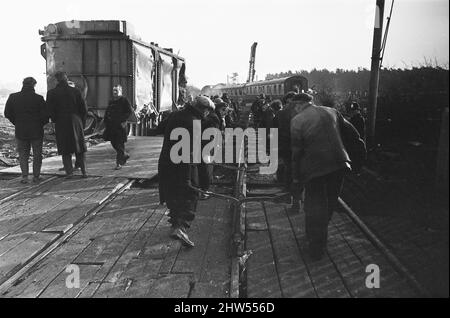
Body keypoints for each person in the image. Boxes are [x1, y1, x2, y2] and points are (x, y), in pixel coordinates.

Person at [290, 93, 366, 261]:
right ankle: (318, 239)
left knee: (314, 207)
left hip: (315, 169)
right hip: (339, 165)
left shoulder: (297, 121)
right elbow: (355, 137)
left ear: (298, 105)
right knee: (330, 203)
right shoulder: (332, 112)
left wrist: (296, 179)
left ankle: (316, 248)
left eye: (294, 106)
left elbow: (296, 154)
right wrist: (358, 162)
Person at [158, 96, 215, 247]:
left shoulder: (175, 115)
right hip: (185, 166)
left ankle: (175, 224)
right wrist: (204, 181)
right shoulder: (195, 123)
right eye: (207, 111)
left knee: (172, 193)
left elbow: (159, 128)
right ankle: (180, 227)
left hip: (166, 163)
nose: (207, 115)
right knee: (190, 195)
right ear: (202, 110)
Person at [4, 77, 48, 183]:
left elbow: (7, 113)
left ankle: (24, 177)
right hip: (36, 130)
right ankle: (36, 176)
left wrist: (17, 122)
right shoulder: (39, 98)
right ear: (34, 85)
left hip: (21, 130)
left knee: (23, 154)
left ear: (23, 84)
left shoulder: (13, 97)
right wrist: (39, 124)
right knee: (37, 154)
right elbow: (46, 116)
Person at [46, 71, 88, 178]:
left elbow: (49, 111)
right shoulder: (76, 91)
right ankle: (84, 171)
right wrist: (81, 122)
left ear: (57, 80)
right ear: (66, 79)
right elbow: (84, 109)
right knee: (80, 148)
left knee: (65, 149)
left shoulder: (51, 93)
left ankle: (69, 173)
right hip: (76, 121)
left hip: (61, 122)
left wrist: (55, 120)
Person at [273, 91, 298, 210]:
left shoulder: (281, 113)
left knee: (289, 170)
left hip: (286, 146)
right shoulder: (301, 113)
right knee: (296, 172)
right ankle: (296, 199)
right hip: (296, 146)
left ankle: (290, 195)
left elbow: (273, 130)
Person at [102, 85, 133, 170]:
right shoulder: (111, 101)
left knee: (119, 144)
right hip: (111, 127)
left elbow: (129, 111)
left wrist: (123, 120)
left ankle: (118, 164)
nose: (115, 92)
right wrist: (105, 121)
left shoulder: (124, 100)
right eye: (114, 90)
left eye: (116, 90)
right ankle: (125, 155)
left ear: (120, 91)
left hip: (120, 126)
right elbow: (108, 111)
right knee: (113, 143)